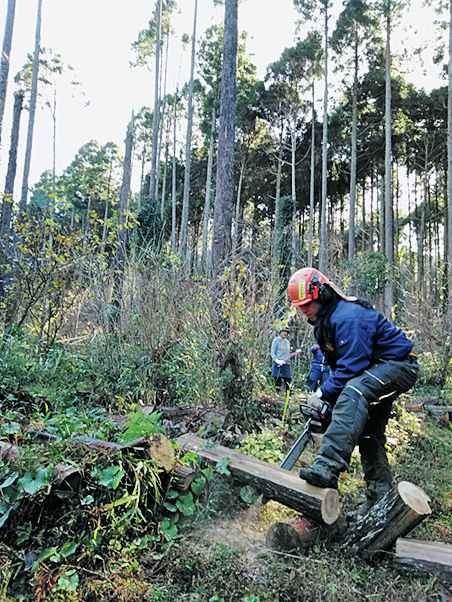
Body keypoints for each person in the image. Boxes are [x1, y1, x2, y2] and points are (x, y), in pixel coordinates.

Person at [287, 267, 418, 517]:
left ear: (323, 295)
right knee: (369, 435)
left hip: (398, 366)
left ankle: (327, 465)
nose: (303, 309)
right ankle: (379, 504)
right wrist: (331, 405)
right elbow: (342, 368)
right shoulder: (326, 323)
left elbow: (351, 368)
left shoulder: (348, 317)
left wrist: (325, 394)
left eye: (307, 303)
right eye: (299, 306)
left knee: (355, 391)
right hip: (374, 371)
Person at [270, 326, 292, 394]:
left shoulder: (287, 342)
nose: (285, 333)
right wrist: (276, 360)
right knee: (278, 381)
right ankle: (277, 395)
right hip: (278, 364)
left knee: (288, 381)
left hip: (286, 364)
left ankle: (289, 396)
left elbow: (287, 353)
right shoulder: (276, 340)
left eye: (286, 332)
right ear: (280, 332)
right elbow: (272, 352)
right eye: (283, 331)